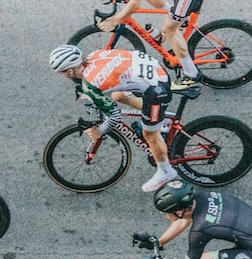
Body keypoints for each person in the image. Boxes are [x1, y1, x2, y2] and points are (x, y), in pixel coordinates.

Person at [49, 44, 186, 191]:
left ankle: (166, 171)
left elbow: (115, 116)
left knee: (149, 134)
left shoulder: (90, 84)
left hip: (157, 90)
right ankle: (159, 119)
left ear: (70, 71)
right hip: (155, 70)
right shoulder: (94, 55)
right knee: (118, 95)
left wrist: (99, 132)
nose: (62, 76)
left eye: (61, 73)